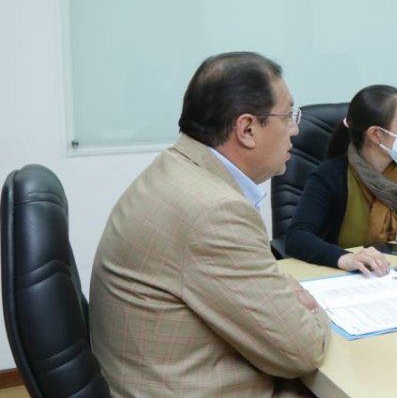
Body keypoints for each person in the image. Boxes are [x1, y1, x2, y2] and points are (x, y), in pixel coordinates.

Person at [90, 52, 329, 397]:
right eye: (289, 114)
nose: (295, 128)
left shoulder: (175, 168)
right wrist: (313, 308)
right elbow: (304, 350)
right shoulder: (215, 211)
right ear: (247, 128)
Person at [285, 84, 397, 279]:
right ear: (376, 134)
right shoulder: (329, 175)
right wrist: (345, 258)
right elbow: (296, 237)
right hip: (353, 280)